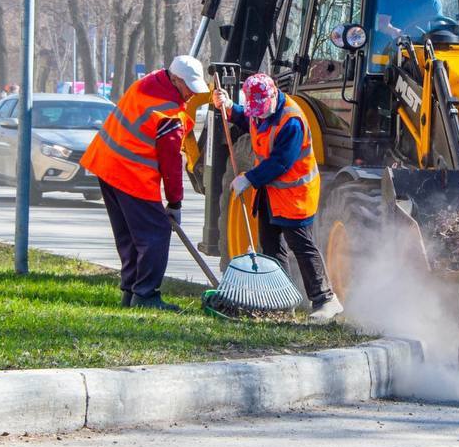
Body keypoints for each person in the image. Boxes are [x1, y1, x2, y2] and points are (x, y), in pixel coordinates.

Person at [211, 73, 343, 322]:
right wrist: (228, 107)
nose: (257, 115)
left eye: (261, 110)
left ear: (274, 96)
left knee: (302, 247)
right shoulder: (259, 111)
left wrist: (249, 178)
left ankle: (326, 299)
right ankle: (282, 302)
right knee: (271, 247)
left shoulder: (292, 121)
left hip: (295, 196)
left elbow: (281, 162)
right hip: (271, 194)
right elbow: (245, 117)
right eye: (255, 111)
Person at [81, 56, 206, 311]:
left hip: (106, 165)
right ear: (176, 79)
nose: (193, 93)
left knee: (128, 236)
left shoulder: (145, 84)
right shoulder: (169, 114)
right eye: (189, 87)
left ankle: (130, 292)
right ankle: (146, 295)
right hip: (131, 174)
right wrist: (175, 203)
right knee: (155, 235)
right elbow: (171, 164)